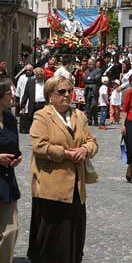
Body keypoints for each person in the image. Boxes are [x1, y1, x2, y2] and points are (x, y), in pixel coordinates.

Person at [27, 76, 98, 263]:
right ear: (50, 95)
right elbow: (39, 146)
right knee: (52, 241)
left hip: (76, 188)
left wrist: (84, 150)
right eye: (61, 92)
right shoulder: (42, 116)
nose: (67, 95)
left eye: (69, 91)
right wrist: (66, 153)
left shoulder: (79, 116)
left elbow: (92, 142)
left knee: (74, 237)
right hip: (51, 189)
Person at [0, 77, 22, 263]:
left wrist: (18, 157)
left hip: (6, 182)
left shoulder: (9, 118)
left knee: (10, 230)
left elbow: (15, 146)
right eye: (9, 92)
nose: (12, 95)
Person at [15, 64, 35, 134]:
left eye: (29, 70)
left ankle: (30, 128)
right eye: (26, 70)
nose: (28, 71)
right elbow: (18, 88)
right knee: (23, 113)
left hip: (31, 98)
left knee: (30, 113)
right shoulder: (21, 77)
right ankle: (23, 128)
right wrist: (17, 100)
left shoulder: (34, 78)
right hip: (23, 97)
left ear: (32, 70)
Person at [83, 59, 102, 126]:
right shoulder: (86, 71)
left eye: (90, 64)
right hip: (87, 90)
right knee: (87, 105)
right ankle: (89, 120)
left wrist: (89, 79)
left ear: (94, 64)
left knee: (93, 105)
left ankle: (95, 119)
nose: (89, 65)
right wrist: (91, 79)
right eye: (88, 64)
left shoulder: (98, 70)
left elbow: (97, 79)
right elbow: (84, 79)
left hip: (94, 90)